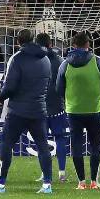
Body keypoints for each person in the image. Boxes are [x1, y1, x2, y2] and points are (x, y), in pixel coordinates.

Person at [0, 29, 53, 194]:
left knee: (7, 145)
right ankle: (47, 185)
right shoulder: (46, 59)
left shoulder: (18, 59)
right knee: (42, 146)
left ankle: (0, 184)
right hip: (38, 110)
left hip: (18, 111)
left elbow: (10, 86)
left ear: (18, 42)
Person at [56, 32, 100, 190]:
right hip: (94, 109)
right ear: (88, 45)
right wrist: (96, 92)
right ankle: (94, 181)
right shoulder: (97, 61)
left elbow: (58, 88)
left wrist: (70, 97)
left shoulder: (65, 63)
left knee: (77, 146)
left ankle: (81, 182)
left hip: (74, 110)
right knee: (95, 145)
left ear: (74, 45)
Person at [36, 32, 70, 183]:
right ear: (50, 44)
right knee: (60, 138)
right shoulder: (60, 61)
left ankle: (45, 173)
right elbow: (65, 82)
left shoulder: (34, 59)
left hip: (39, 106)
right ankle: (62, 172)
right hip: (57, 106)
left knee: (41, 141)